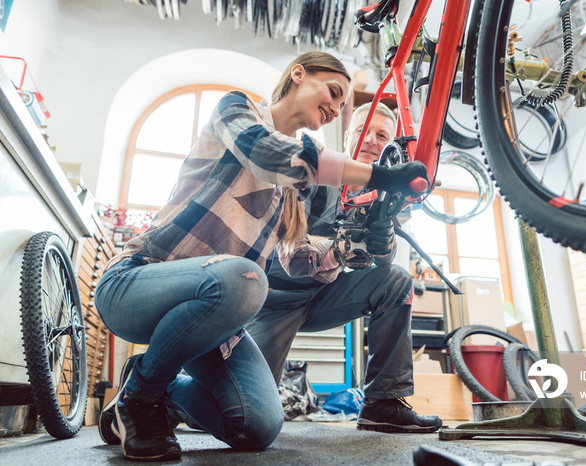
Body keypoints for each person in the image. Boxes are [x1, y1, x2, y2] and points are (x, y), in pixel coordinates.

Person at [95, 52, 428, 462]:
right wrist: (379, 175)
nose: (334, 108)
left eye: (342, 104)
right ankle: (142, 396)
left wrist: (353, 245)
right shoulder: (237, 109)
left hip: (227, 306)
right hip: (144, 281)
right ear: (298, 74)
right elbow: (268, 154)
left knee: (257, 426)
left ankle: (159, 389)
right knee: (244, 278)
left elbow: (299, 259)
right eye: (334, 93)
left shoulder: (295, 190)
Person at [245, 102, 443, 433]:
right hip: (274, 300)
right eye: (367, 131)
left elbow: (383, 262)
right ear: (349, 135)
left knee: (395, 281)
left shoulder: (379, 193)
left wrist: (386, 238)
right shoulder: (314, 172)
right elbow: (292, 250)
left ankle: (382, 403)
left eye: (383, 136)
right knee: (244, 412)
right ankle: (168, 391)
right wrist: (340, 248)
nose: (373, 141)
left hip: (321, 297)